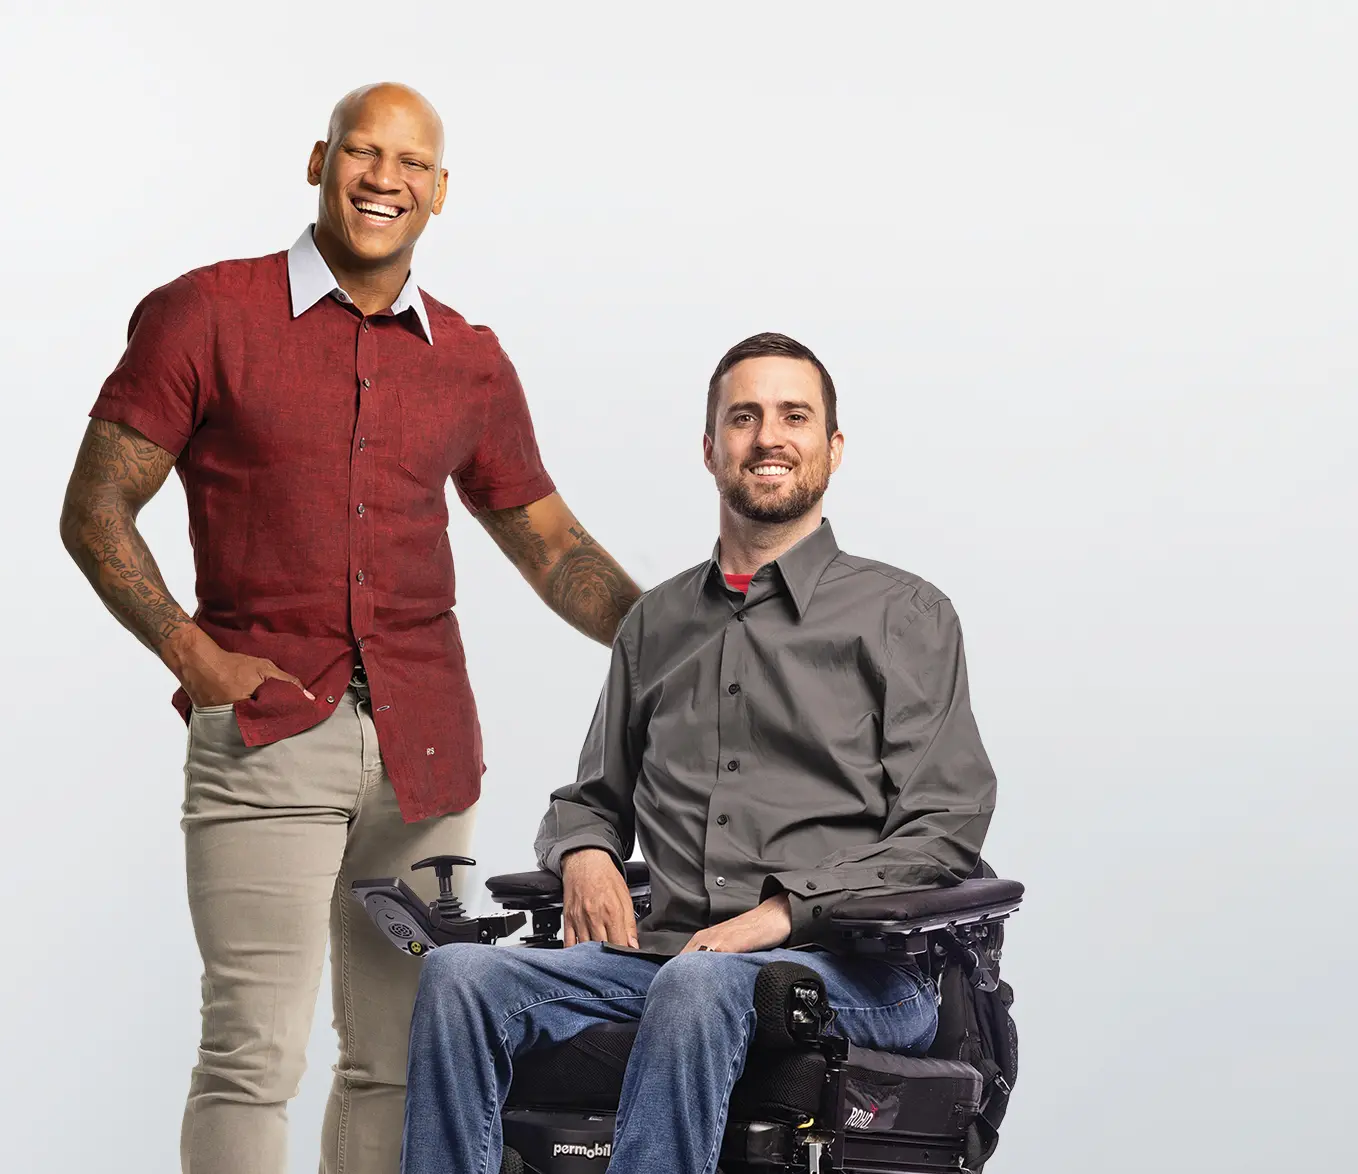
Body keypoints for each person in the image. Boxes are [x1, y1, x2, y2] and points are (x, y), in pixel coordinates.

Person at [57, 82, 641, 1174]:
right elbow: (94, 506)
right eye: (363, 152)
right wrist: (193, 655)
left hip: (427, 758)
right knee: (251, 1056)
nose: (384, 178)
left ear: (440, 191)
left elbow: (552, 547)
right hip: (269, 735)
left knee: (402, 1055)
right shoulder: (206, 313)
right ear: (318, 160)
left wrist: (677, 635)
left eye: (410, 163)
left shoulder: (468, 357)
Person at [399, 332, 999, 1174]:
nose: (768, 437)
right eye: (744, 416)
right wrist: (584, 853)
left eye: (795, 415)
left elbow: (944, 829)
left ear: (832, 448)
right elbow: (590, 799)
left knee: (700, 981)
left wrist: (780, 915)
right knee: (460, 977)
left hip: (853, 971)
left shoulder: (903, 615)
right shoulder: (657, 625)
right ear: (711, 447)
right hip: (675, 953)